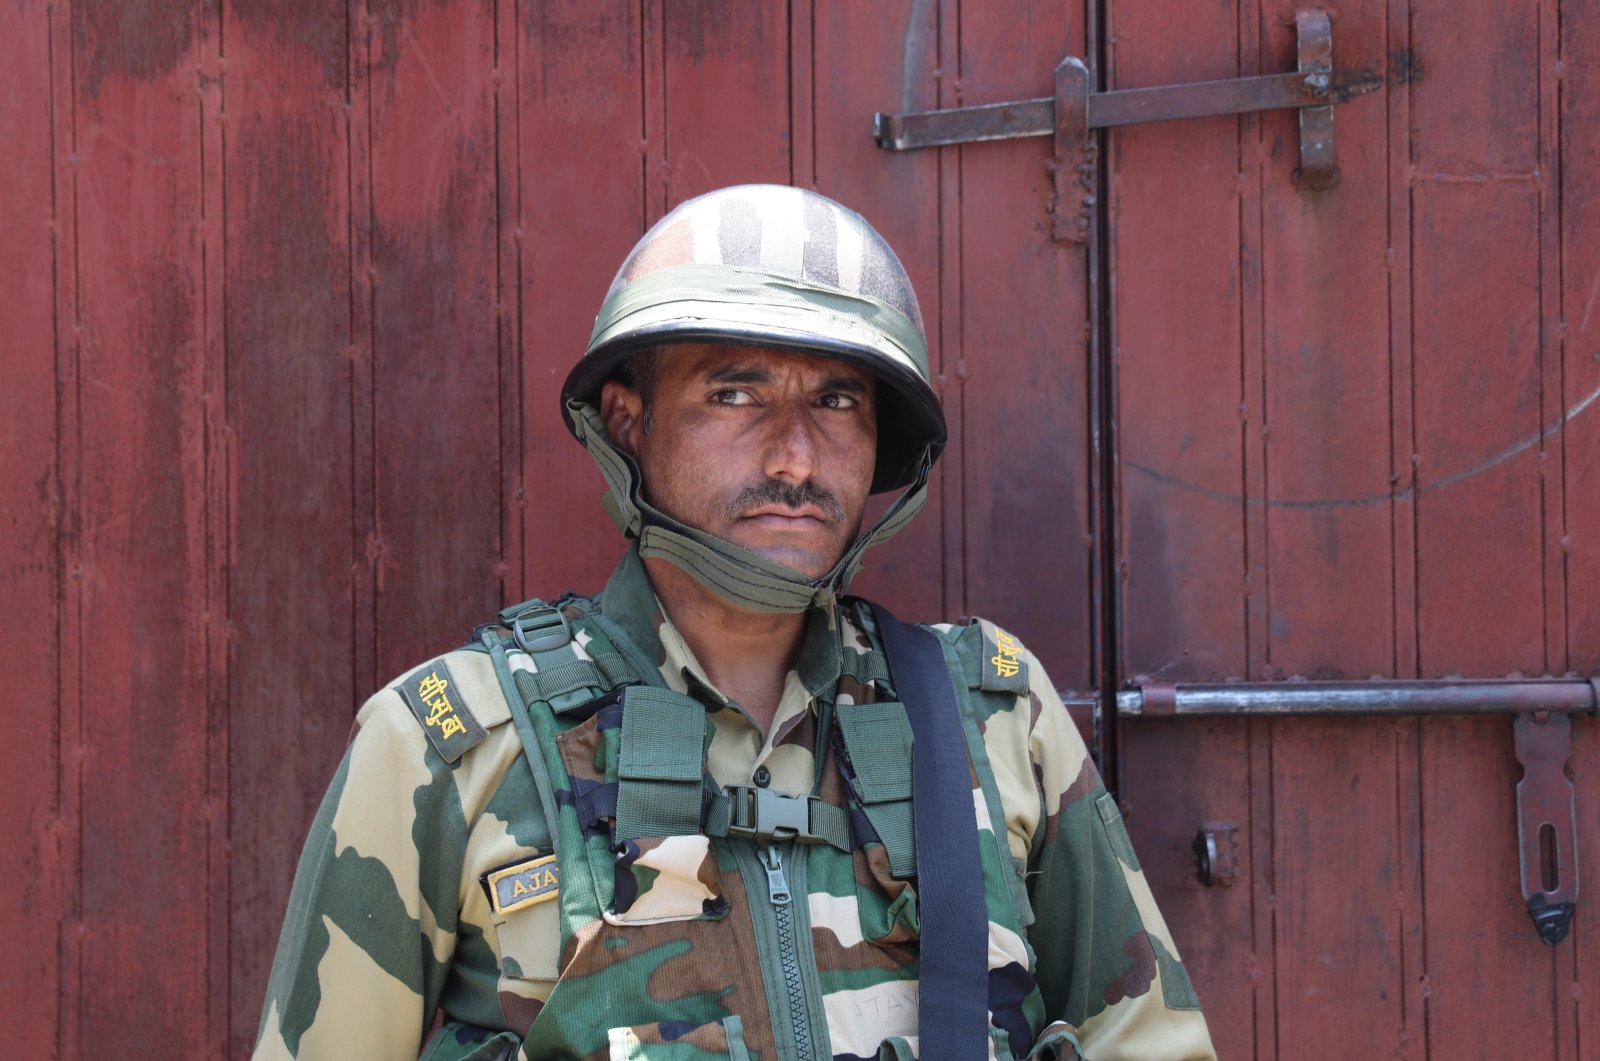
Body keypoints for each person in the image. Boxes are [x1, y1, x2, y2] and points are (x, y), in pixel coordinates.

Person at [254, 184, 1216, 1061]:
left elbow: (1151, 1040)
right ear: (628, 422)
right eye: (737, 391)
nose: (796, 455)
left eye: (837, 399)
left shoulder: (995, 719)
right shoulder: (448, 745)